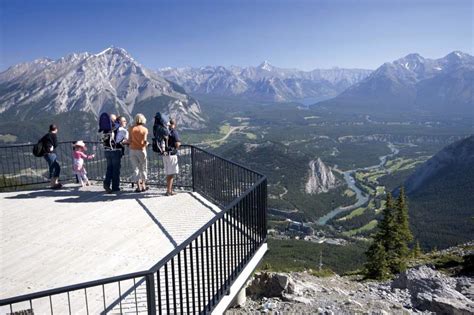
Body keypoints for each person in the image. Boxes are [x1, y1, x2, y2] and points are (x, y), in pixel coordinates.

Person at [128, 113, 148, 192]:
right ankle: (143, 185)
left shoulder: (131, 129)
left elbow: (129, 140)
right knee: (143, 168)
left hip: (132, 150)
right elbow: (145, 141)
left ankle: (138, 186)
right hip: (141, 150)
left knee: (135, 169)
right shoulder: (145, 129)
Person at [103, 113, 122, 193]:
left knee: (109, 168)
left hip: (107, 150)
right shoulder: (115, 127)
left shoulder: (105, 128)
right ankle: (115, 187)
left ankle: (107, 183)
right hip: (115, 150)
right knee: (115, 169)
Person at [163, 118, 181, 196]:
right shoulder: (174, 132)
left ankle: (169, 190)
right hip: (172, 155)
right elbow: (177, 144)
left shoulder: (165, 132)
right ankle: (169, 191)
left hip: (165, 154)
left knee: (168, 173)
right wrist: (178, 146)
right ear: (174, 124)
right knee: (171, 174)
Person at [41, 124, 62, 189]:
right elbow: (55, 144)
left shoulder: (46, 135)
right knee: (56, 167)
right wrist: (52, 147)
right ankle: (54, 184)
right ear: (55, 129)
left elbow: (41, 142)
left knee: (53, 167)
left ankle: (53, 183)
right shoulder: (53, 135)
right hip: (51, 154)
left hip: (45, 154)